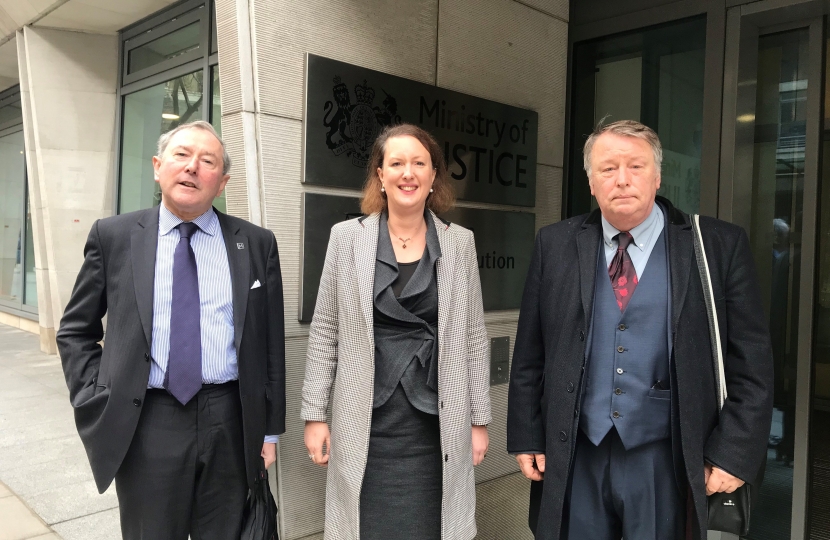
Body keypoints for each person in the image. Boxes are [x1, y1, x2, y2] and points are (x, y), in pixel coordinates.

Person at [507, 120, 773, 540]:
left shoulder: (718, 246)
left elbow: (752, 364)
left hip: (667, 458)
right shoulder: (555, 244)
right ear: (591, 182)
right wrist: (526, 434)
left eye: (636, 165)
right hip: (578, 453)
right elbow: (530, 353)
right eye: (608, 168)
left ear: (658, 175)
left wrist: (734, 453)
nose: (623, 180)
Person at [57, 120, 286, 539]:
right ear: (158, 166)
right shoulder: (115, 236)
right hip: (147, 418)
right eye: (182, 155)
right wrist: (95, 397)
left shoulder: (255, 243)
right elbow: (75, 330)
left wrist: (269, 430)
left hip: (231, 420)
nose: (193, 167)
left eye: (208, 161)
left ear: (222, 182)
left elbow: (270, 345)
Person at [302, 123, 491, 540]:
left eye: (419, 163)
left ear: (434, 177)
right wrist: (315, 414)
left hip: (436, 423)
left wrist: (479, 420)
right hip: (365, 418)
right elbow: (326, 330)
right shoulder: (346, 238)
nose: (408, 172)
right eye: (397, 163)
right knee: (366, 526)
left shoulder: (460, 243)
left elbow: (474, 336)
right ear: (381, 176)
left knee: (433, 526)